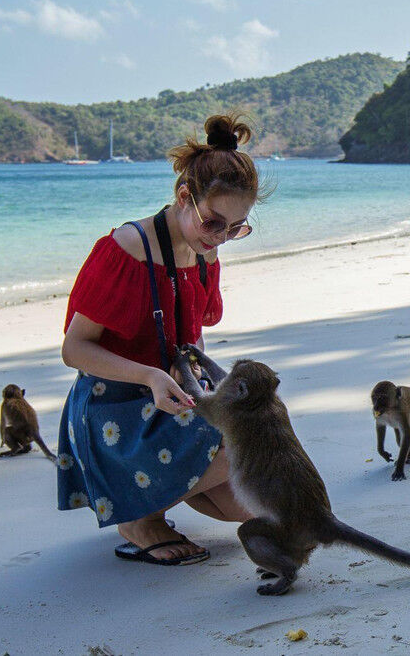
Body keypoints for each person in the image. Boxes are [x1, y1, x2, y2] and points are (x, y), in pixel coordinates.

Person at [58, 114, 261, 565]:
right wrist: (151, 375)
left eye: (237, 228)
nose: (223, 238)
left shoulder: (205, 249)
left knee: (243, 503)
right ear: (184, 197)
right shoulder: (127, 248)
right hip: (114, 407)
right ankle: (139, 518)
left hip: (170, 399)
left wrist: (196, 381)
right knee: (244, 437)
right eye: (215, 223)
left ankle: (160, 492)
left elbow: (191, 337)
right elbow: (74, 350)